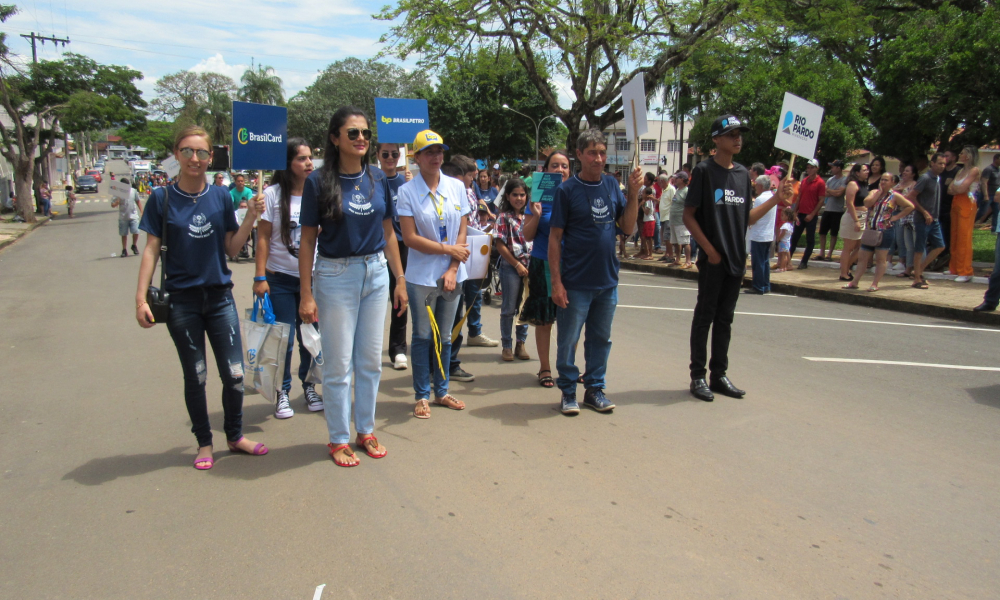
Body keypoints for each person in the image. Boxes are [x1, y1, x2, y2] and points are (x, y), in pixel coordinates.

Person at [134, 125, 266, 471]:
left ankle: (235, 436)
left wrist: (251, 217)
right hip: (182, 302)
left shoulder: (221, 197)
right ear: (176, 155)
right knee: (196, 376)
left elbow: (231, 248)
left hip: (220, 298)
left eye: (202, 153)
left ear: (211, 157)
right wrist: (140, 299)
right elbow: (150, 250)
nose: (196, 159)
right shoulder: (161, 199)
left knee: (235, 374)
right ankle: (204, 442)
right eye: (188, 151)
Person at [297, 107, 406, 467]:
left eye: (365, 133)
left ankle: (366, 430)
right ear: (334, 138)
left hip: (376, 273)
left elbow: (389, 231)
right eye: (352, 133)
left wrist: (399, 280)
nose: (361, 139)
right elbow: (308, 240)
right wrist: (306, 293)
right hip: (335, 276)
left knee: (371, 362)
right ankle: (338, 438)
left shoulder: (378, 178)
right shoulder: (318, 181)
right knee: (339, 366)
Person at [683, 115, 787, 402]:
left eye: (740, 133)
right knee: (704, 316)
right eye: (731, 134)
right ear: (717, 139)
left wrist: (776, 200)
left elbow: (746, 220)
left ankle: (719, 375)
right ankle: (697, 376)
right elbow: (688, 216)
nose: (737, 138)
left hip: (736, 259)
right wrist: (710, 250)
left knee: (725, 319)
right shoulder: (704, 171)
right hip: (713, 259)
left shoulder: (743, 174)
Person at [549, 129, 641, 415]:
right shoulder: (567, 190)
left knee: (601, 339)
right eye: (592, 152)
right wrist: (556, 282)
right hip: (575, 282)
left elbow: (627, 228)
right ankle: (567, 391)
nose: (598, 158)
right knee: (569, 339)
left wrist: (634, 194)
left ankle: (594, 389)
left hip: (607, 281)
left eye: (602, 152)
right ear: (579, 155)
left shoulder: (613, 186)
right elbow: (554, 238)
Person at [397, 130, 471, 420]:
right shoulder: (407, 192)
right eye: (429, 152)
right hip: (421, 277)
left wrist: (453, 266)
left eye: (439, 151)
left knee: (446, 337)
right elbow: (409, 238)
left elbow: (463, 228)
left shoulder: (456, 187)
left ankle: (441, 391)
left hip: (454, 274)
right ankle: (421, 395)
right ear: (417, 157)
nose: (436, 157)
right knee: (423, 335)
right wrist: (447, 249)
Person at [253, 137, 324, 419]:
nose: (308, 163)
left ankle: (308, 386)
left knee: (311, 336)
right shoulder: (271, 195)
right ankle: (282, 391)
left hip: (312, 280)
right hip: (279, 279)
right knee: (284, 338)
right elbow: (263, 237)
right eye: (301, 159)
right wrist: (260, 276)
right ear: (287, 164)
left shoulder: (317, 190)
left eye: (310, 157)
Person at [446, 155, 498, 385]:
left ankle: (450, 362)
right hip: (453, 258)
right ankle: (443, 363)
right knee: (452, 313)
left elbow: (468, 225)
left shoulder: (468, 192)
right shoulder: (454, 192)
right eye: (471, 174)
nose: (475, 177)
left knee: (463, 307)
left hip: (468, 254)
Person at [522, 150, 570, 388]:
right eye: (555, 166)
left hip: (571, 266)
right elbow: (527, 235)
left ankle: (567, 366)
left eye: (564, 166)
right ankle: (545, 367)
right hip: (542, 264)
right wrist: (537, 216)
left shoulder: (575, 193)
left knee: (571, 319)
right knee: (545, 320)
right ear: (546, 170)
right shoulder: (538, 197)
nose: (560, 170)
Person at [842, 173, 914, 292]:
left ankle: (875, 283)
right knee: (863, 257)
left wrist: (896, 217)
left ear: (892, 182)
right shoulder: (874, 192)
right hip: (871, 229)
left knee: (881, 259)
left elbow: (910, 206)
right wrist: (878, 194)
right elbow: (867, 203)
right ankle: (854, 282)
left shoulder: (895, 196)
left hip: (885, 230)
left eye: (886, 180)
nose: (883, 182)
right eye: (882, 180)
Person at [377, 141, 413, 371]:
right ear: (378, 156)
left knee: (400, 298)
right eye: (385, 154)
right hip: (376, 247)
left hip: (403, 246)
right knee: (376, 300)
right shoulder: (371, 180)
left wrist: (413, 188)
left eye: (394, 154)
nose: (390, 158)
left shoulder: (406, 182)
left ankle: (398, 349)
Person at [494, 178, 532, 361]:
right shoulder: (503, 217)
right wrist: (516, 265)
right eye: (515, 195)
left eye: (522, 195)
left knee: (524, 307)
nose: (519, 198)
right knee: (509, 308)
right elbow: (500, 245)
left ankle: (521, 344)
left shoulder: (530, 216)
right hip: (511, 267)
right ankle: (507, 346)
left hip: (529, 268)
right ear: (507, 196)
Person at [907, 152, 947, 290]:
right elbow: (911, 196)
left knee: (940, 246)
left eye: (944, 164)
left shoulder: (937, 178)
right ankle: (917, 279)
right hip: (922, 219)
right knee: (919, 249)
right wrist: (924, 212)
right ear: (932, 163)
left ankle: (919, 271)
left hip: (934, 219)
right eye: (940, 163)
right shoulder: (925, 178)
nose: (942, 166)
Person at [947, 146, 980, 282]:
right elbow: (950, 189)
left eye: (962, 153)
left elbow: (960, 187)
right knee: (954, 235)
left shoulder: (974, 170)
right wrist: (956, 188)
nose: (960, 155)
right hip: (956, 202)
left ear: (968, 156)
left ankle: (965, 270)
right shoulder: (960, 170)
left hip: (967, 202)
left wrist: (956, 188)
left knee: (964, 236)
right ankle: (954, 267)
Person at [788, 158, 826, 269]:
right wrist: (795, 212)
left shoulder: (820, 183)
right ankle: (787, 259)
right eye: (808, 167)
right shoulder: (804, 181)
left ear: (816, 168)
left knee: (810, 239)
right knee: (794, 237)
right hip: (801, 214)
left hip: (811, 215)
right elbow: (799, 196)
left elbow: (821, 200)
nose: (809, 169)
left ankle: (804, 261)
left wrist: (813, 214)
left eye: (812, 167)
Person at [838, 164, 869, 282]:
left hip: (864, 216)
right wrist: (856, 220)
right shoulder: (852, 184)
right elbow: (850, 203)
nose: (867, 172)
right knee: (849, 247)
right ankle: (843, 273)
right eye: (864, 170)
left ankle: (846, 267)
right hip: (854, 216)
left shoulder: (865, 185)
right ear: (857, 172)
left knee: (862, 245)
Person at [746, 175, 776, 293]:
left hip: (759, 234)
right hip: (768, 234)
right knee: (765, 261)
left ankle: (758, 286)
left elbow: (754, 217)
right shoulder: (772, 197)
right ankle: (765, 284)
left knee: (758, 262)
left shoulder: (760, 199)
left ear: (761, 186)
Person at [890, 163, 918, 277]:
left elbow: (910, 199)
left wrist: (899, 193)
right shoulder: (899, 184)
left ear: (913, 174)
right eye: (904, 171)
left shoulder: (914, 185)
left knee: (912, 243)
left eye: (907, 171)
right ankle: (906, 265)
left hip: (910, 216)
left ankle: (910, 265)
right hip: (898, 213)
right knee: (899, 239)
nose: (904, 173)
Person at [816, 159, 847, 261]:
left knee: (834, 233)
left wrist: (831, 191)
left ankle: (829, 254)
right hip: (828, 209)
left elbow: (839, 194)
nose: (832, 169)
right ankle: (822, 253)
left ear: (839, 168)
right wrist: (834, 191)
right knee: (822, 232)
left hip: (837, 210)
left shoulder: (844, 180)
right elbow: (826, 193)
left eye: (833, 167)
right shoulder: (830, 180)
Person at [111, 176, 142, 258]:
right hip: (123, 217)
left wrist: (142, 211)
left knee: (136, 231)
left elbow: (138, 201)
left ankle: (134, 245)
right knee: (123, 234)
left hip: (133, 215)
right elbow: (112, 205)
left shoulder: (133, 191)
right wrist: (117, 202)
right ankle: (124, 250)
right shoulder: (117, 193)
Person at [669, 171, 693, 268]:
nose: (675, 180)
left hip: (682, 221)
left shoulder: (687, 191)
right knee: (675, 242)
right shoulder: (677, 190)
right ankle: (677, 259)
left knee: (685, 241)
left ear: (682, 179)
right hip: (674, 221)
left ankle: (688, 261)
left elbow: (689, 206)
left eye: (677, 178)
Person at [977, 153, 1000, 230]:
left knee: (996, 212)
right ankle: (971, 222)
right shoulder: (988, 169)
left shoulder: (998, 169)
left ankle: (994, 229)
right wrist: (986, 195)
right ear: (996, 159)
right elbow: (984, 182)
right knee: (982, 212)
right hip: (988, 194)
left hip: (995, 195)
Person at [657, 173, 675, 262]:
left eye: (659, 182)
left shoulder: (671, 189)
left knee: (667, 237)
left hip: (668, 216)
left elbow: (673, 202)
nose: (658, 184)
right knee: (664, 237)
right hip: (663, 217)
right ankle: (667, 254)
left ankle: (671, 256)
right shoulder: (664, 190)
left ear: (662, 181)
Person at [775, 207, 795, 272]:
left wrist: (779, 238)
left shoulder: (785, 225)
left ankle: (782, 267)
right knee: (785, 255)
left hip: (783, 242)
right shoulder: (790, 225)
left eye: (782, 215)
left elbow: (783, 232)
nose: (781, 217)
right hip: (787, 242)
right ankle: (784, 267)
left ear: (787, 216)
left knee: (783, 256)